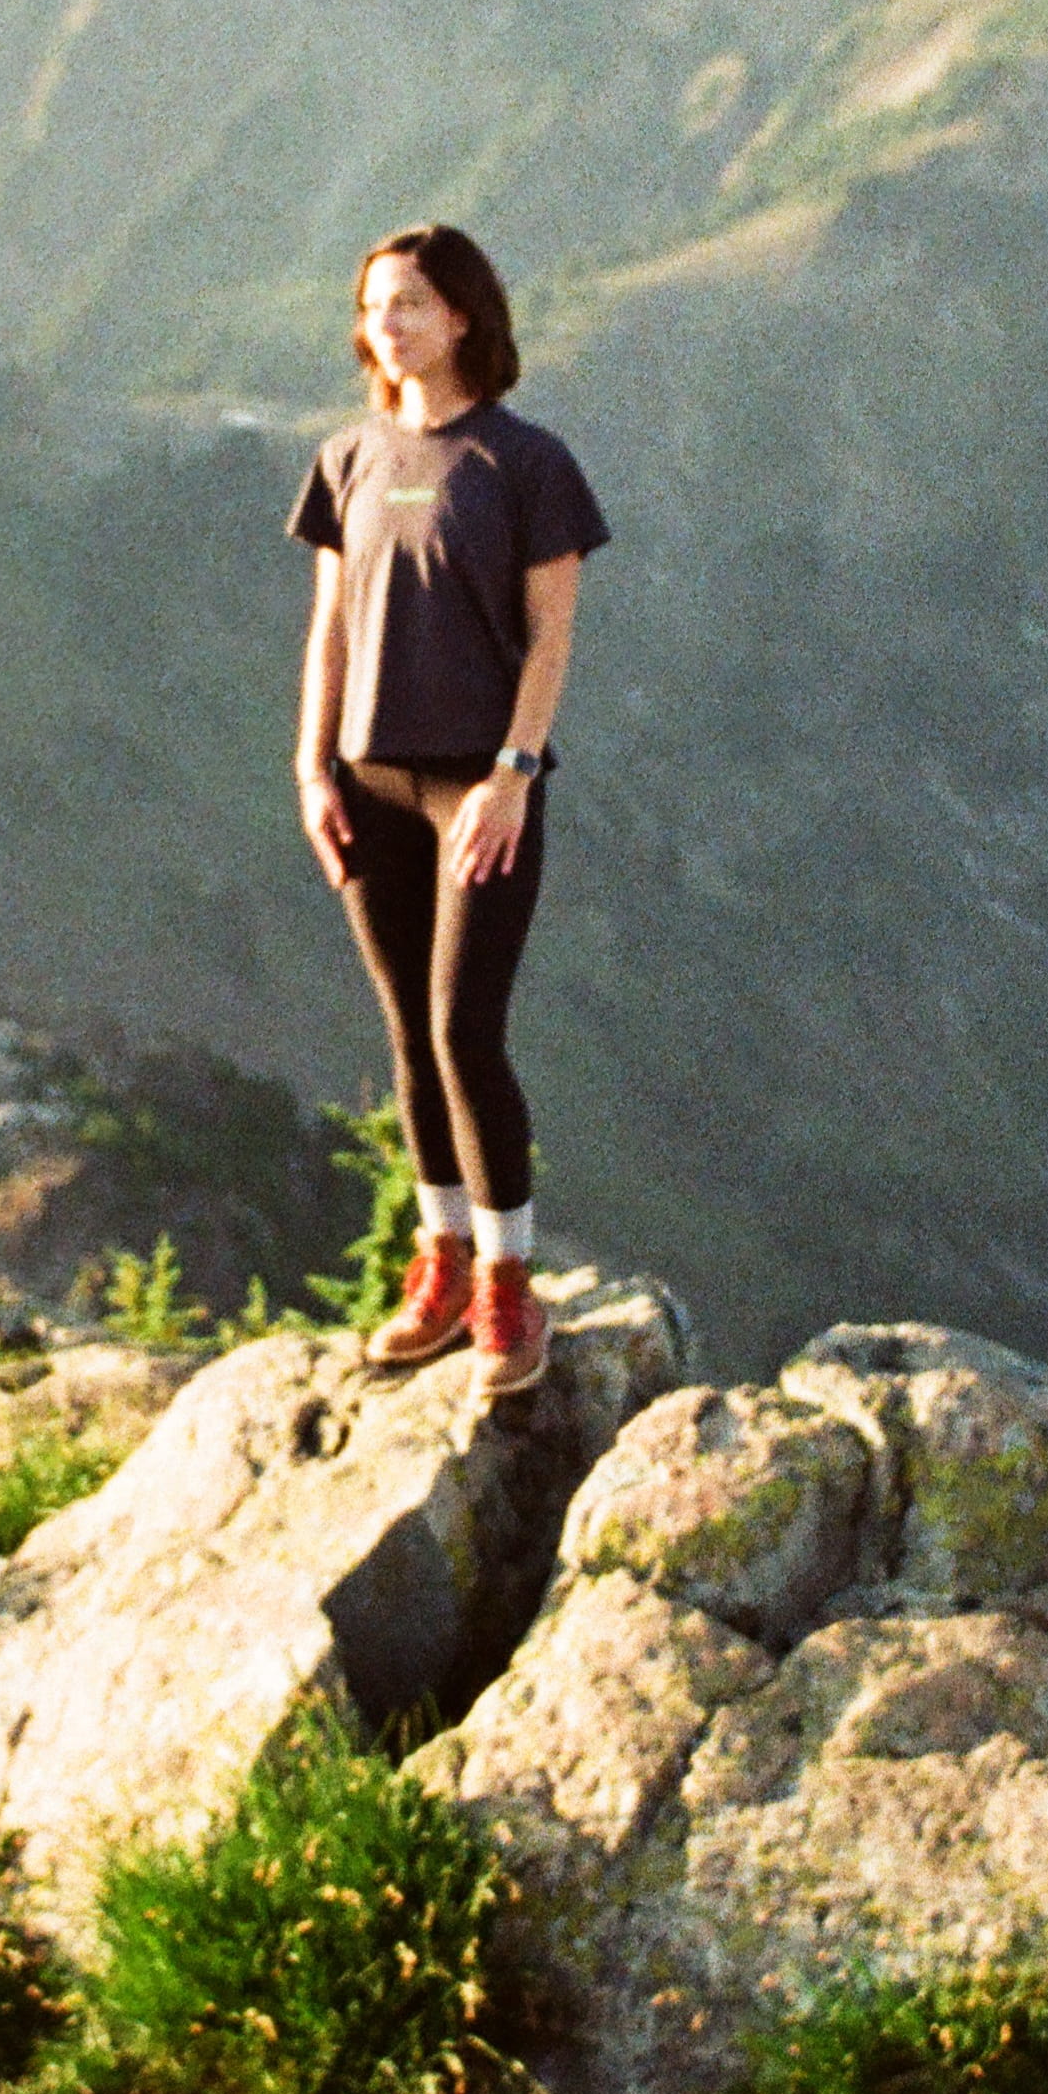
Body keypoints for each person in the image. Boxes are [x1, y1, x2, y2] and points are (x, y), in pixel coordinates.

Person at [289, 219, 606, 1405]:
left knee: (467, 1031)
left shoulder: (526, 466)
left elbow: (553, 636)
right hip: (367, 780)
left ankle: (510, 1284)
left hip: (478, 784)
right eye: (374, 304)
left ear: (465, 314)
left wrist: (513, 776)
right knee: (407, 1037)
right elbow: (327, 631)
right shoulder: (345, 459)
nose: (387, 324)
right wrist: (311, 769)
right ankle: (440, 1258)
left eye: (411, 302)